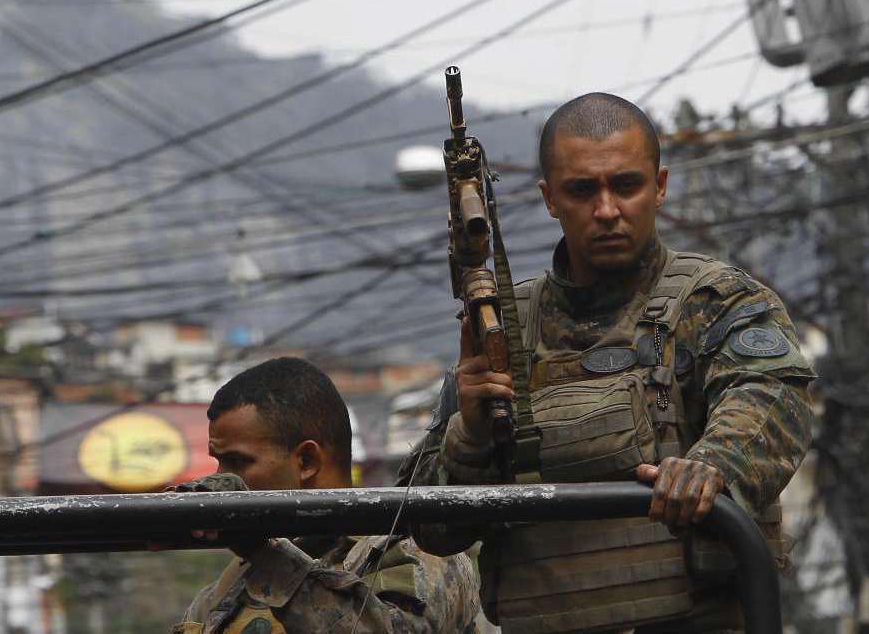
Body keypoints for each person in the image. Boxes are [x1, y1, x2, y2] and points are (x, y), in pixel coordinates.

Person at [402, 93, 816, 633]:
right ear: (549, 199)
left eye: (626, 185)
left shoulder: (714, 302)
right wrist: (471, 438)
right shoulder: (501, 330)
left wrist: (712, 466)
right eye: (581, 190)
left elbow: (771, 401)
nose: (606, 210)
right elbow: (427, 525)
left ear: (660, 186)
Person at [169, 357, 485, 634]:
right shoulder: (232, 587)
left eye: (239, 462)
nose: (221, 478)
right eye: (218, 461)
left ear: (306, 461)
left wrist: (263, 553)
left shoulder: (418, 549)